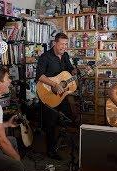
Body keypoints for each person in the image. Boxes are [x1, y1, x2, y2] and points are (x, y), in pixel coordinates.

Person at [35, 32, 78, 160]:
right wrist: (54, 84)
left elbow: (69, 70)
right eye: (62, 44)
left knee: (68, 118)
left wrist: (76, 71)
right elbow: (39, 76)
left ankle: (60, 143)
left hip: (61, 95)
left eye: (66, 44)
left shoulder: (65, 56)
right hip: (47, 92)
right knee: (51, 123)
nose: (65, 47)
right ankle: (50, 151)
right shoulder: (45, 57)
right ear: (55, 43)